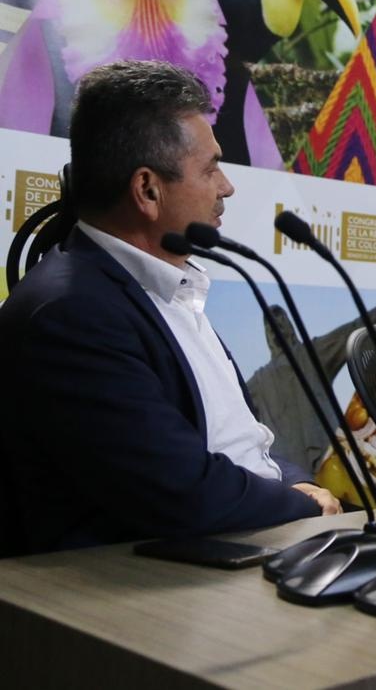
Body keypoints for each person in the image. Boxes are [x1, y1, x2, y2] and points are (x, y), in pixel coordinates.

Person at [0, 60, 340, 556]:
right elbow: (181, 491)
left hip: (234, 542)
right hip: (140, 579)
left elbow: (245, 440)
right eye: (211, 168)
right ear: (147, 190)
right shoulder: (70, 314)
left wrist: (296, 482)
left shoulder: (171, 290)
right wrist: (300, 505)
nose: (227, 187)